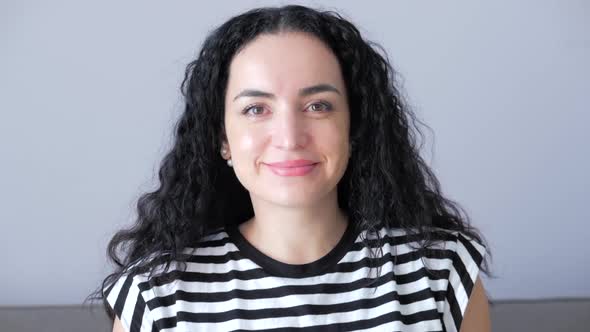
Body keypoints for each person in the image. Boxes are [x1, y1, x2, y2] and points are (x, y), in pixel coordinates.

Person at [90, 4, 494, 332]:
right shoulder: (158, 296)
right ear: (223, 140)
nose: (289, 136)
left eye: (318, 106)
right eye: (256, 109)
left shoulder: (440, 273)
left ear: (354, 127)